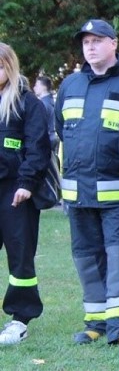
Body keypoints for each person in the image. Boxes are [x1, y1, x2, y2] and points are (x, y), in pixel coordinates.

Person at [55, 19, 119, 349]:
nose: (90, 47)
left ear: (114, 43)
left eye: (97, 40)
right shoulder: (70, 85)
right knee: (86, 257)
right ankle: (95, 320)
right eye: (86, 42)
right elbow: (61, 130)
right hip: (78, 195)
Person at [0, 43, 50, 344]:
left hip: (16, 194)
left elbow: (38, 148)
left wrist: (27, 184)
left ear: (10, 66)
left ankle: (20, 318)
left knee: (20, 258)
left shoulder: (26, 103)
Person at [33, 76, 59, 157]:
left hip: (45, 139)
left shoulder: (42, 104)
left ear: (44, 87)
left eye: (37, 85)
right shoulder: (53, 102)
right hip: (53, 137)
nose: (34, 88)